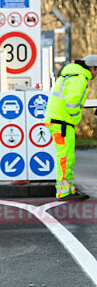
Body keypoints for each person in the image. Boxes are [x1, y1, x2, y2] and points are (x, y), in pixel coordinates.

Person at [43, 55, 97, 200]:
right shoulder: (79, 77)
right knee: (65, 157)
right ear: (92, 68)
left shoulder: (70, 74)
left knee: (67, 157)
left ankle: (68, 188)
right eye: (96, 70)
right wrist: (74, 120)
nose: (95, 74)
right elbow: (72, 101)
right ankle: (63, 191)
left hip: (58, 121)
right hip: (62, 122)